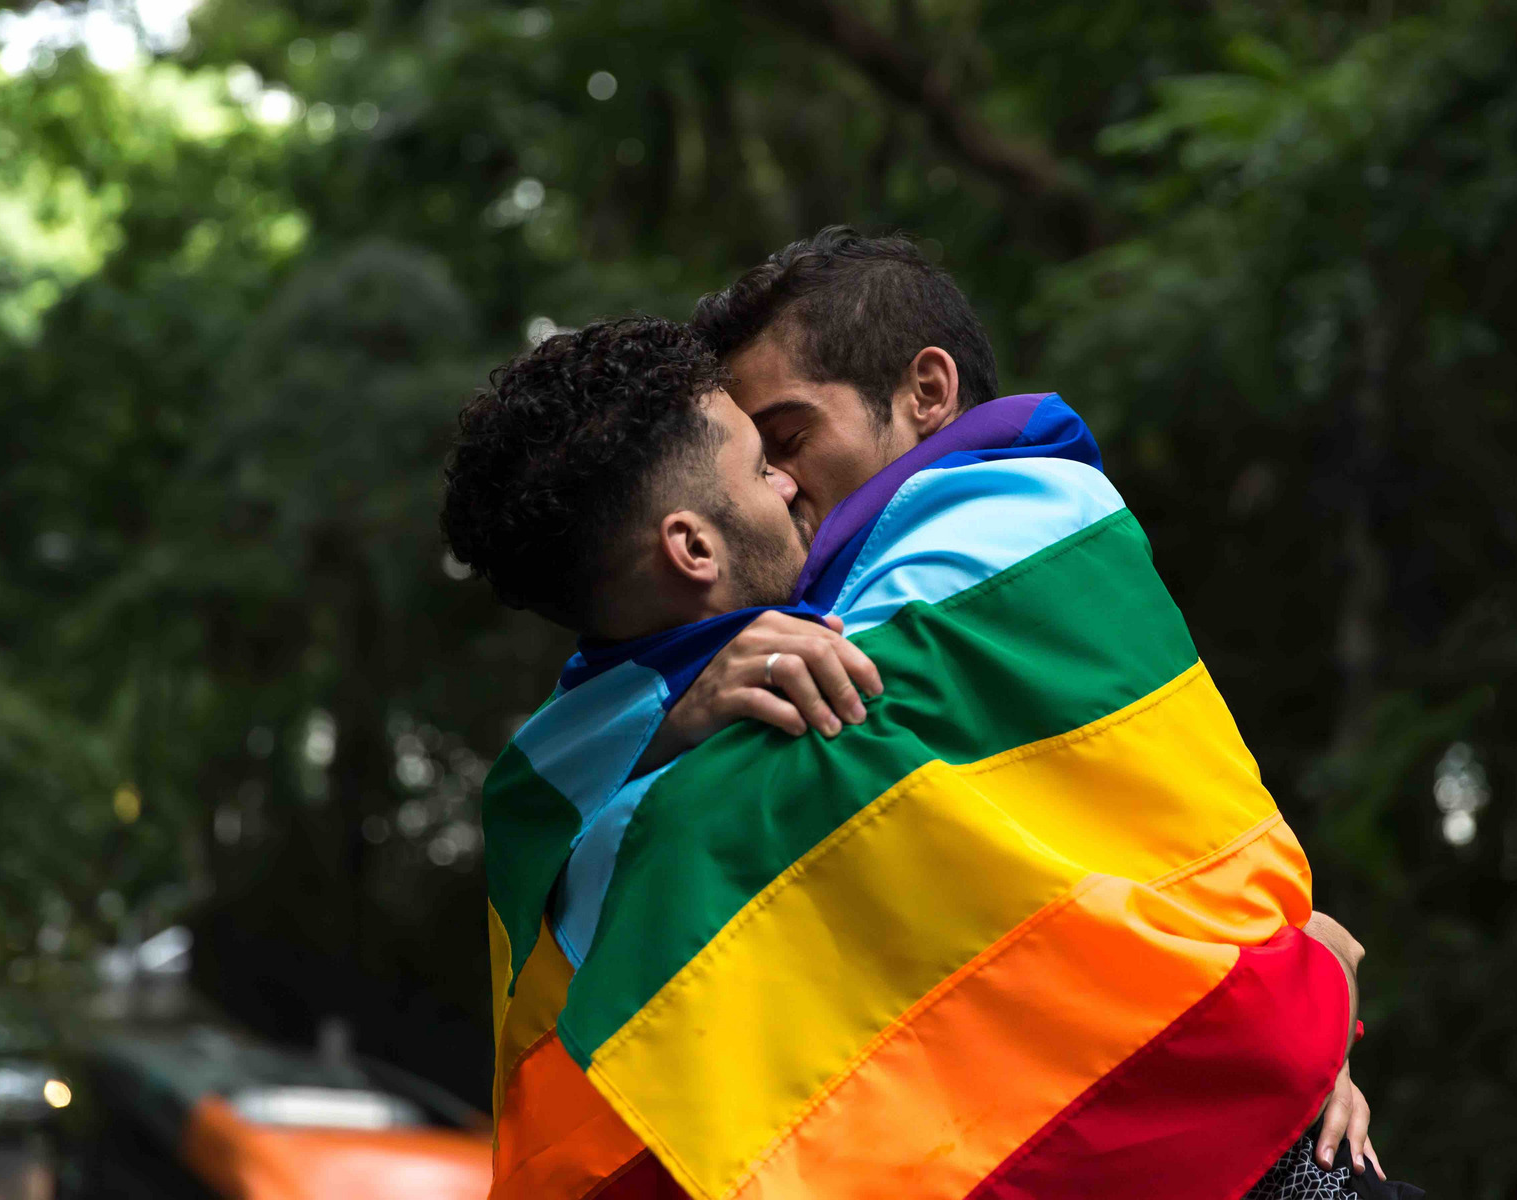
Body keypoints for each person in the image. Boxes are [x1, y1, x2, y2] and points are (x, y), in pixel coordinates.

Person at [445, 315, 1415, 1200]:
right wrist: (1304, 979)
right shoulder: (884, 669)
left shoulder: (574, 831)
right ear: (692, 547)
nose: (790, 485)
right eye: (763, 458)